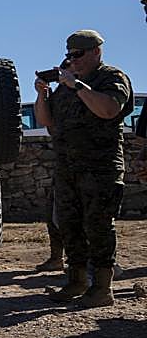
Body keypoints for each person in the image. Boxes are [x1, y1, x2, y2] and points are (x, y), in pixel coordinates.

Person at [35, 30, 134, 307]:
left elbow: (109, 110)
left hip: (100, 168)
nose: (72, 60)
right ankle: (76, 281)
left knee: (98, 226)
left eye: (77, 55)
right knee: (69, 225)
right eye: (69, 56)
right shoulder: (66, 85)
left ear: (96, 52)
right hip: (68, 168)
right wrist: (43, 94)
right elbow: (46, 120)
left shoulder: (111, 78)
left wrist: (77, 86)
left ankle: (102, 288)